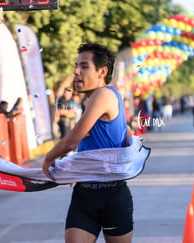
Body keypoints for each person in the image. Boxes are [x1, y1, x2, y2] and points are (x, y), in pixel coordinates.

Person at [42, 43, 133, 243]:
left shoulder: (104, 94)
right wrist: (81, 166)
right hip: (84, 195)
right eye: (76, 65)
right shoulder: (98, 99)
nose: (76, 71)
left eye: (84, 66)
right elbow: (128, 134)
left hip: (113, 196)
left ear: (102, 71)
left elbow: (72, 139)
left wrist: (49, 158)